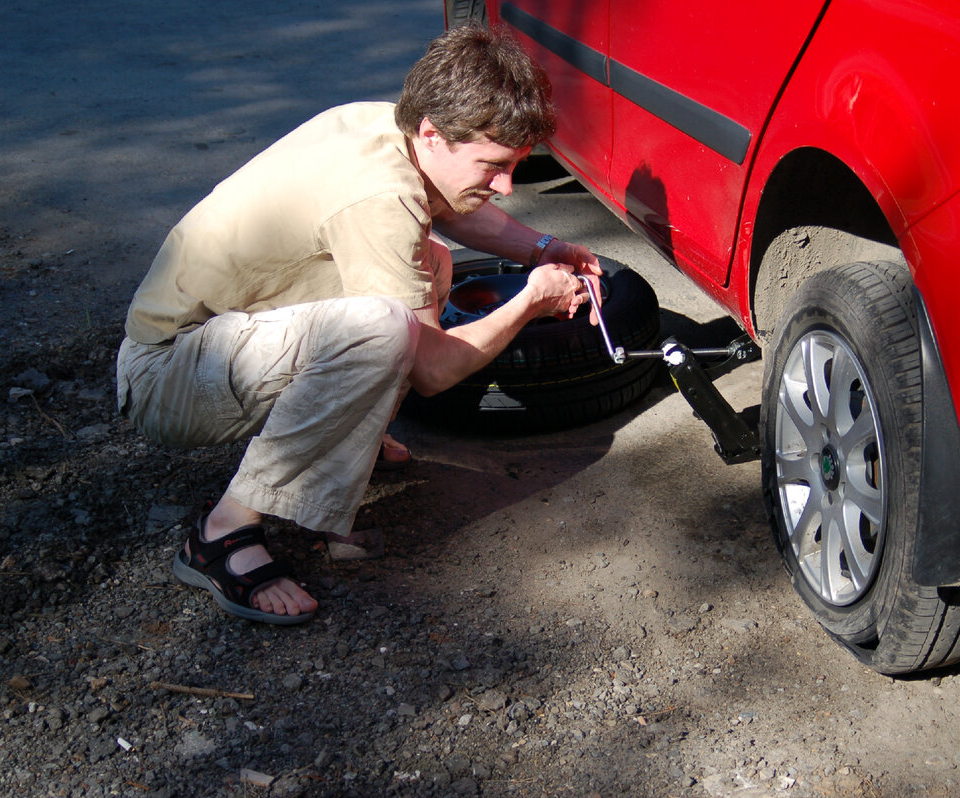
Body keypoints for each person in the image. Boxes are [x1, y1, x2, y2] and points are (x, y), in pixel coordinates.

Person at [115, 24, 602, 625]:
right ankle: (221, 534)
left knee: (427, 262)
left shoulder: (387, 126)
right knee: (385, 329)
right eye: (494, 166)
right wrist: (530, 301)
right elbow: (433, 370)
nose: (505, 186)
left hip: (219, 337)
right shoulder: (379, 198)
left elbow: (452, 205)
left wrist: (545, 247)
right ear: (433, 133)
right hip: (168, 375)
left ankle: (338, 457)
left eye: (514, 167)